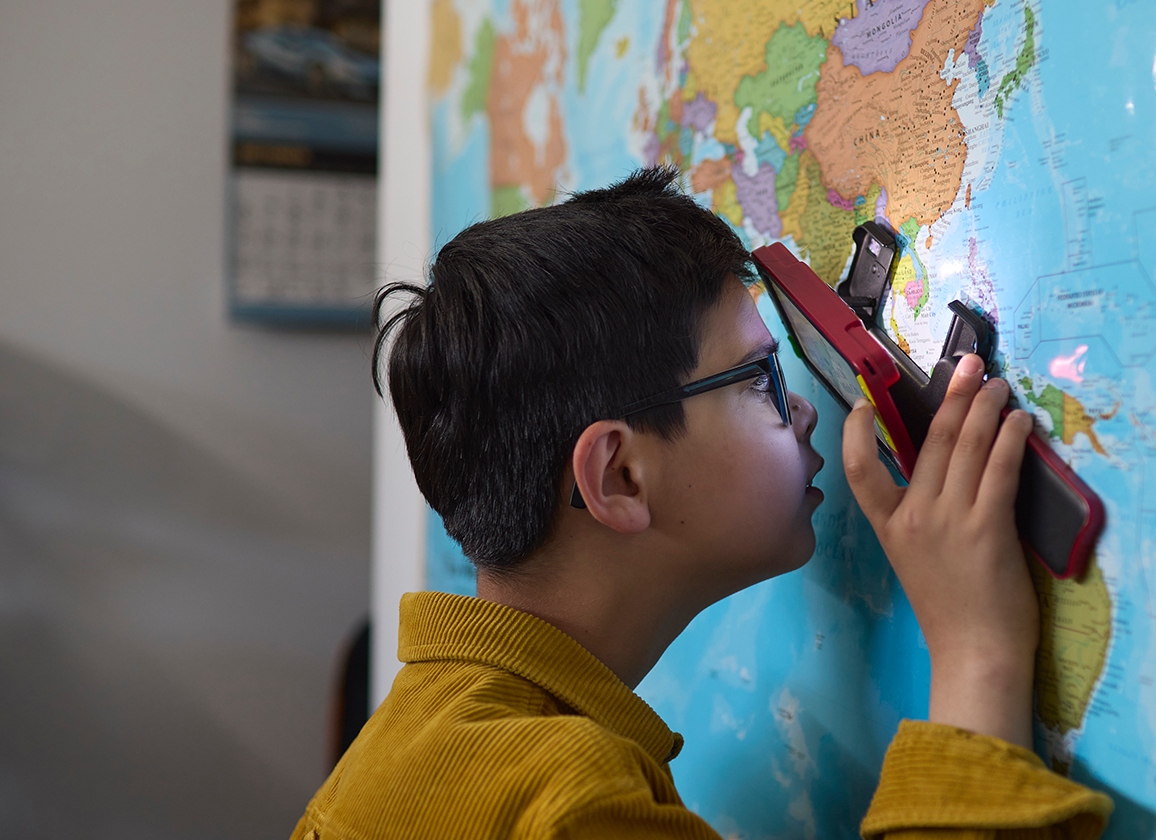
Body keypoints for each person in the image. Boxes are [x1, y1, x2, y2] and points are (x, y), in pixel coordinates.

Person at [290, 168, 1111, 839]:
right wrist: (975, 656)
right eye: (759, 378)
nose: (803, 411)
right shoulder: (574, 808)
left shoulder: (418, 735)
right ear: (618, 477)